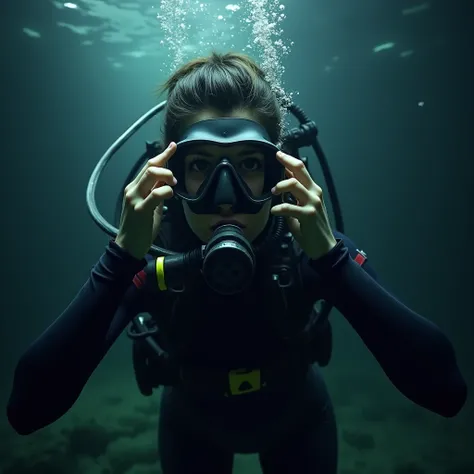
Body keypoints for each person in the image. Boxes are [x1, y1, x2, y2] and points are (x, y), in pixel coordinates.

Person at [6, 52, 467, 474]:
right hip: (192, 431)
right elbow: (28, 409)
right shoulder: (150, 259)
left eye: (249, 164)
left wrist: (331, 258)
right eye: (201, 166)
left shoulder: (309, 247)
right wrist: (120, 258)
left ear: (281, 170)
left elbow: (445, 391)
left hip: (300, 424)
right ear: (168, 172)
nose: (225, 200)